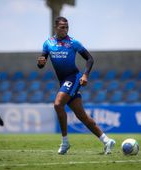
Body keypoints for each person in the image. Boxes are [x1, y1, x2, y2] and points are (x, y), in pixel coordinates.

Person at [37, 16, 115, 154]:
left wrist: (85, 75)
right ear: (56, 27)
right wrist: (40, 63)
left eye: (67, 27)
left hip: (73, 77)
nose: (65, 29)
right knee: (82, 116)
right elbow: (41, 63)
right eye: (62, 27)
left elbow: (90, 59)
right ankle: (107, 141)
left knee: (57, 104)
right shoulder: (48, 43)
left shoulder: (73, 42)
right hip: (63, 81)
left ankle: (65, 142)